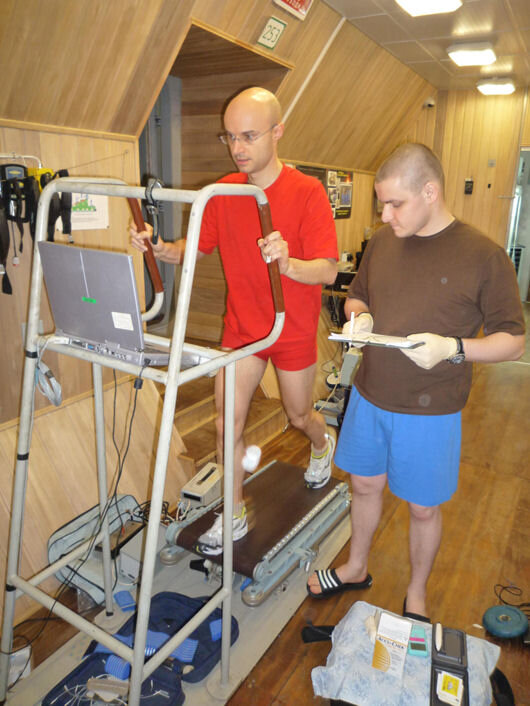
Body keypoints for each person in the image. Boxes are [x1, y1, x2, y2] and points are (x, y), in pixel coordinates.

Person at [306, 143, 525, 621]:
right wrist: (359, 318)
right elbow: (357, 297)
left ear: (431, 191)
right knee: (363, 486)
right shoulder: (384, 241)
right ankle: (355, 567)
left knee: (423, 509)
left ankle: (418, 594)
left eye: (395, 204)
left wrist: (455, 348)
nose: (385, 215)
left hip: (432, 411)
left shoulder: (484, 257)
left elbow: (514, 342)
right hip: (369, 394)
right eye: (381, 204)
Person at [131, 87, 338, 555]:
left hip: (291, 330)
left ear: (277, 132)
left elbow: (326, 269)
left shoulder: (307, 192)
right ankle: (236, 512)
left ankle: (323, 445)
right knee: (229, 424)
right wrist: (160, 248)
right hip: (242, 331)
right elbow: (193, 248)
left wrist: (288, 264)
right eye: (230, 137)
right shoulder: (223, 192)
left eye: (248, 136)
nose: (238, 148)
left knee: (298, 414)